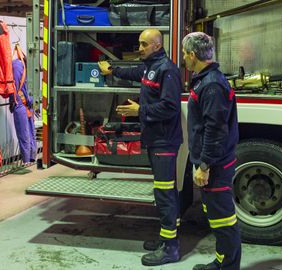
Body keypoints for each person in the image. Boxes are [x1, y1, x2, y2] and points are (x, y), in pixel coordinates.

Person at [98, 28, 183, 266]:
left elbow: (170, 107)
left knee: (165, 194)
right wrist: (113, 69)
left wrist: (140, 110)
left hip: (165, 142)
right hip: (156, 140)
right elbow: (135, 72)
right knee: (163, 192)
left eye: (144, 44)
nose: (140, 48)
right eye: (139, 43)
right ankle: (167, 239)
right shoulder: (150, 67)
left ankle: (171, 249)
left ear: (157, 45)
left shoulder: (167, 70)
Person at [182, 32, 241, 270]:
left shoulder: (212, 85)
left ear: (193, 55)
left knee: (224, 221)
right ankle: (221, 262)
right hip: (213, 163)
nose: (184, 59)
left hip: (215, 166)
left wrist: (204, 165)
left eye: (185, 54)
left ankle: (227, 267)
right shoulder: (206, 80)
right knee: (217, 219)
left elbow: (215, 130)